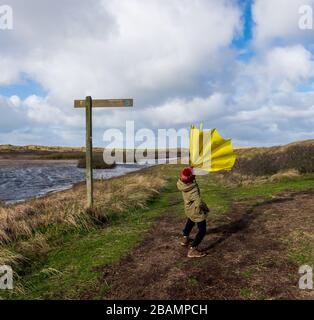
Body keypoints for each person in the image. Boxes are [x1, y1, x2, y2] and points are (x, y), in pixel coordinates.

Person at [177, 167, 209, 258]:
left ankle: (185, 238)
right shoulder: (193, 190)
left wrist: (191, 169)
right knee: (202, 230)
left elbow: (187, 174)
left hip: (188, 208)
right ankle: (193, 249)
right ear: (192, 179)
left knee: (191, 220)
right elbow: (199, 203)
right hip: (195, 211)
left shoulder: (181, 183)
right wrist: (205, 208)